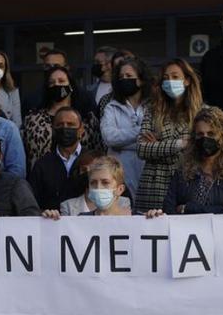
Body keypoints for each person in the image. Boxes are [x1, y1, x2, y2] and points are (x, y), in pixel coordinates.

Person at [136, 59, 205, 212]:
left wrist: (157, 147)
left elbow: (197, 151)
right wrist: (179, 144)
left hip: (186, 184)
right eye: (166, 78)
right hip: (153, 187)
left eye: (175, 77)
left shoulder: (202, 113)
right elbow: (141, 149)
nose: (169, 81)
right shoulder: (152, 110)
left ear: (187, 80)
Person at [164, 107, 223, 214]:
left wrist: (187, 208)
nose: (205, 138)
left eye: (211, 134)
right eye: (200, 134)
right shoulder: (182, 173)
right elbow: (168, 210)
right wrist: (221, 209)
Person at [22, 65, 103, 167]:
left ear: (70, 86)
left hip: (81, 175)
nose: (56, 85)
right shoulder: (34, 119)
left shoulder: (87, 118)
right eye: (52, 83)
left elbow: (98, 151)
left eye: (61, 81)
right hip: (43, 175)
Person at [99, 57, 150, 195]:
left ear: (141, 80)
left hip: (147, 173)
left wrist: (121, 144)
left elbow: (159, 136)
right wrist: (142, 133)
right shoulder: (111, 107)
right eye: (121, 77)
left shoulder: (154, 107)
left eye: (129, 76)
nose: (124, 79)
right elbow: (109, 138)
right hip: (120, 175)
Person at [27, 107, 91, 210]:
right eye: (60, 125)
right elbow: (32, 203)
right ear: (53, 129)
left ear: (81, 130)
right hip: (52, 223)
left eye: (71, 125)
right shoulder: (42, 165)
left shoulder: (94, 161)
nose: (65, 128)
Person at [42, 156, 135, 218]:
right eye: (93, 183)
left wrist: (149, 221)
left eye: (105, 182)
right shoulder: (80, 219)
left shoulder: (136, 219)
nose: (98, 187)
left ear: (120, 189)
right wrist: (52, 223)